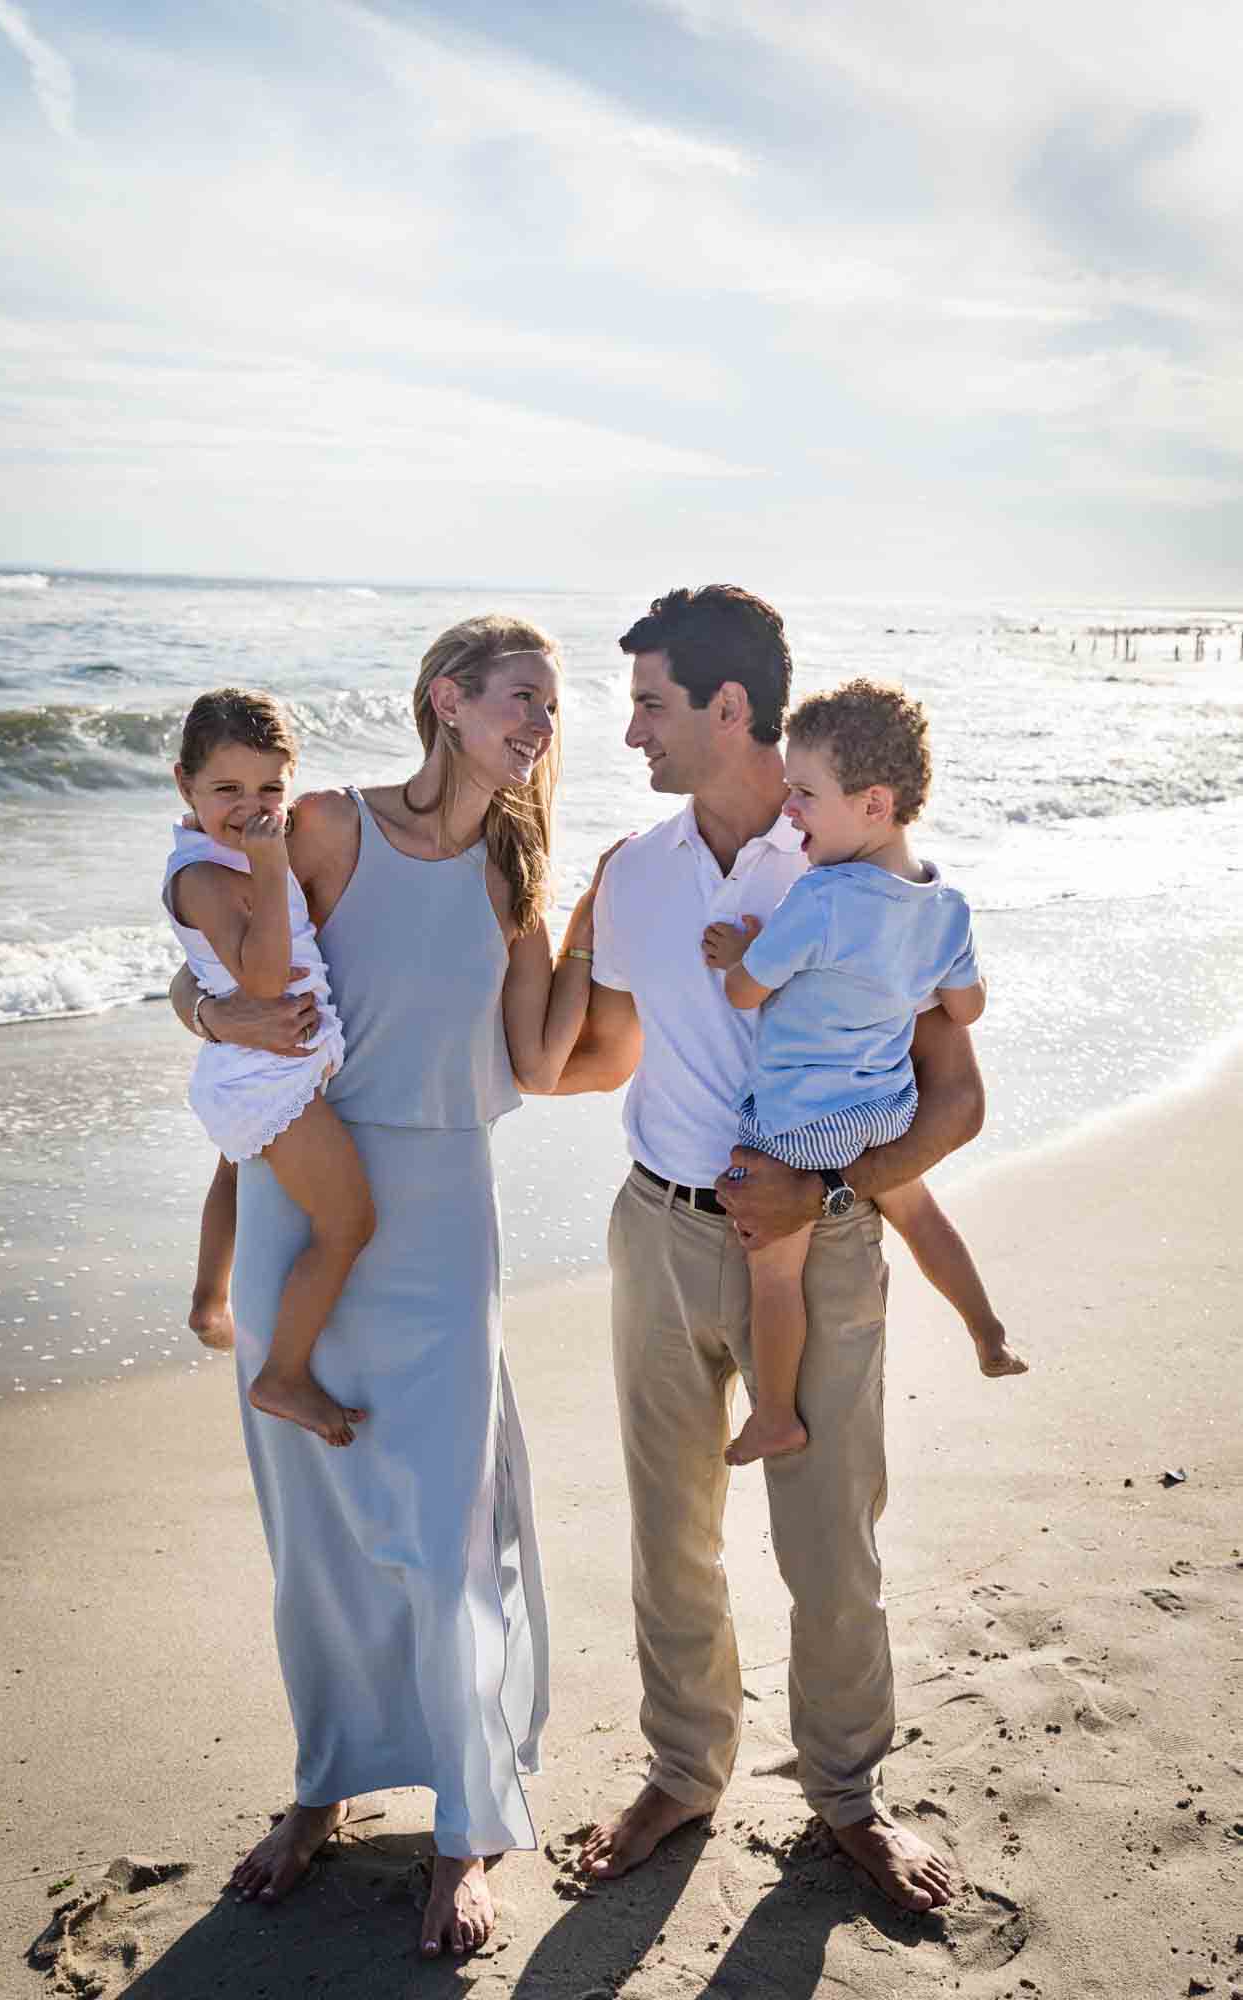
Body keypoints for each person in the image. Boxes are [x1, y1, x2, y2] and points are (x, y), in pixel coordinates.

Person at [168, 616, 611, 1957]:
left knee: (448, 1530)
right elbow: (207, 966)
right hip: (302, 1193)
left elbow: (538, 1062)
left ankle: (469, 1830)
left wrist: (596, 926)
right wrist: (211, 1019)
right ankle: (325, 1789)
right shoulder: (323, 828)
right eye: (520, 696)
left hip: (439, 1212)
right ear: (448, 701)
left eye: (551, 704)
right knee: (315, 1534)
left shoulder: (514, 869)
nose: (540, 720)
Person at [552, 585, 984, 1911]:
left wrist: (829, 1189)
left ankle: (849, 1796)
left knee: (829, 1543)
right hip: (659, 1232)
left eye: (649, 705)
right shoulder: (632, 874)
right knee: (668, 1533)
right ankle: (685, 1770)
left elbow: (955, 1097)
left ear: (727, 708)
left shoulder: (856, 875)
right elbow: (596, 1052)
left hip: (826, 1247)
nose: (628, 735)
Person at [701, 677, 1021, 1469]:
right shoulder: (943, 903)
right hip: (885, 1107)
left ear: (873, 804)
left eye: (805, 794)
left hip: (802, 1119)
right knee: (917, 1214)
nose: (791, 813)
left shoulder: (820, 899)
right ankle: (987, 1333)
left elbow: (745, 993)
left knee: (773, 1272)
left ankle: (774, 1415)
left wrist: (741, 953)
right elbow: (965, 1006)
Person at [165, 688, 374, 1447]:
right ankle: (282, 1373)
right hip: (268, 1076)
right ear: (182, 783)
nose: (249, 806)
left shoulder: (228, 855)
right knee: (349, 1223)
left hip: (257, 1067)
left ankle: (205, 1298)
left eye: (268, 789)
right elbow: (260, 980)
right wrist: (269, 861)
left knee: (232, 1175)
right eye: (226, 789)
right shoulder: (205, 876)